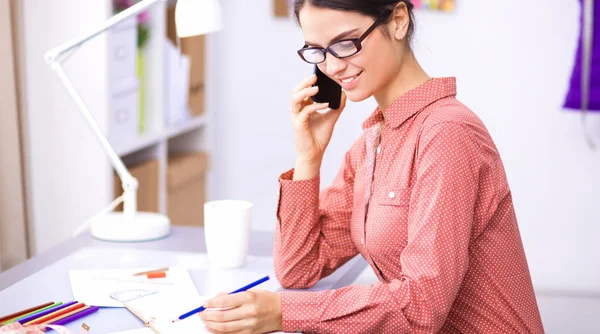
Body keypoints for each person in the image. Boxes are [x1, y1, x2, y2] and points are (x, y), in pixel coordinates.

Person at [200, 1, 545, 333]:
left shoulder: (448, 134)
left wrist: (283, 312)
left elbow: (421, 307)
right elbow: (298, 268)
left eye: (345, 44)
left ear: (397, 21)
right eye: (317, 51)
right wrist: (309, 158)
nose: (331, 67)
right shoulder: (370, 145)